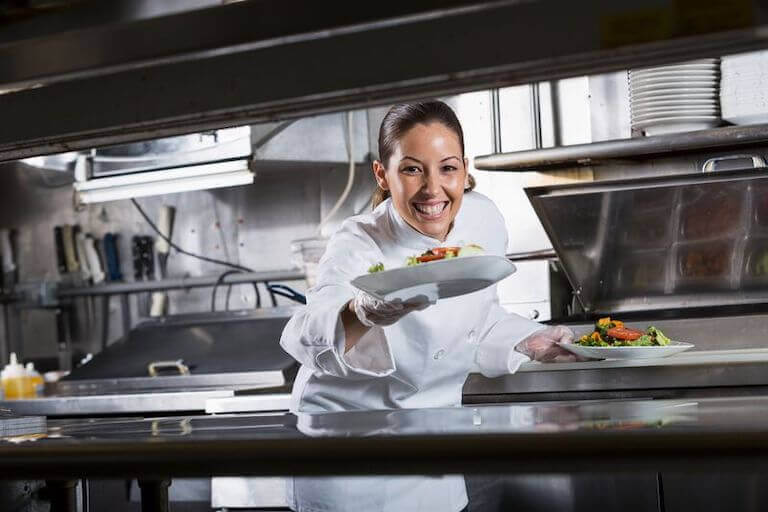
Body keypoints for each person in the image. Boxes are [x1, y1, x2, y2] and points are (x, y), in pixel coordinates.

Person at [280, 100, 581, 512]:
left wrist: (528, 340)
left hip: (433, 453)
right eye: (412, 168)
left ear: (464, 169)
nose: (433, 189)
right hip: (351, 460)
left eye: (447, 167)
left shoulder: (483, 219)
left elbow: (477, 313)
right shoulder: (358, 242)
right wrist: (362, 311)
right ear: (382, 175)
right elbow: (305, 334)